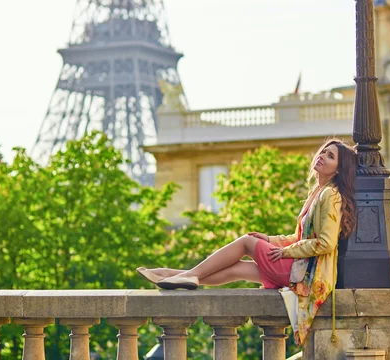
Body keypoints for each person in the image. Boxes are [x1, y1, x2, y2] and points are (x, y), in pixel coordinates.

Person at [137, 139, 357, 345]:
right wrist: (270, 239)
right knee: (237, 269)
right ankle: (176, 275)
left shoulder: (331, 195)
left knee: (246, 242)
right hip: (300, 268)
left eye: (330, 156)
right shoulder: (318, 193)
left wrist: (286, 252)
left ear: (338, 169)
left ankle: (185, 275)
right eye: (323, 152)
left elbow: (326, 243)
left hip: (306, 272)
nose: (322, 156)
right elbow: (300, 238)